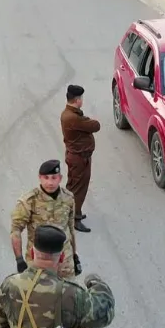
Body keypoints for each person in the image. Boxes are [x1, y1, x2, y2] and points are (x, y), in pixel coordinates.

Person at [10, 160, 80, 279]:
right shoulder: (29, 201)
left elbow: (70, 228)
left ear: (60, 178)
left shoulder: (68, 198)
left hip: (64, 262)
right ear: (40, 178)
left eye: (54, 178)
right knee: (37, 290)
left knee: (69, 289)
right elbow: (15, 230)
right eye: (46, 178)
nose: (50, 182)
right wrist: (19, 260)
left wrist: (74, 256)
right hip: (38, 261)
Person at [60, 85, 99, 233]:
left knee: (73, 186)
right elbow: (95, 126)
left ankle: (69, 212)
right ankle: (75, 218)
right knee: (78, 189)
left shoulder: (69, 114)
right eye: (81, 98)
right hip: (79, 159)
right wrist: (89, 121)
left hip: (76, 157)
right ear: (77, 100)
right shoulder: (73, 117)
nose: (82, 100)